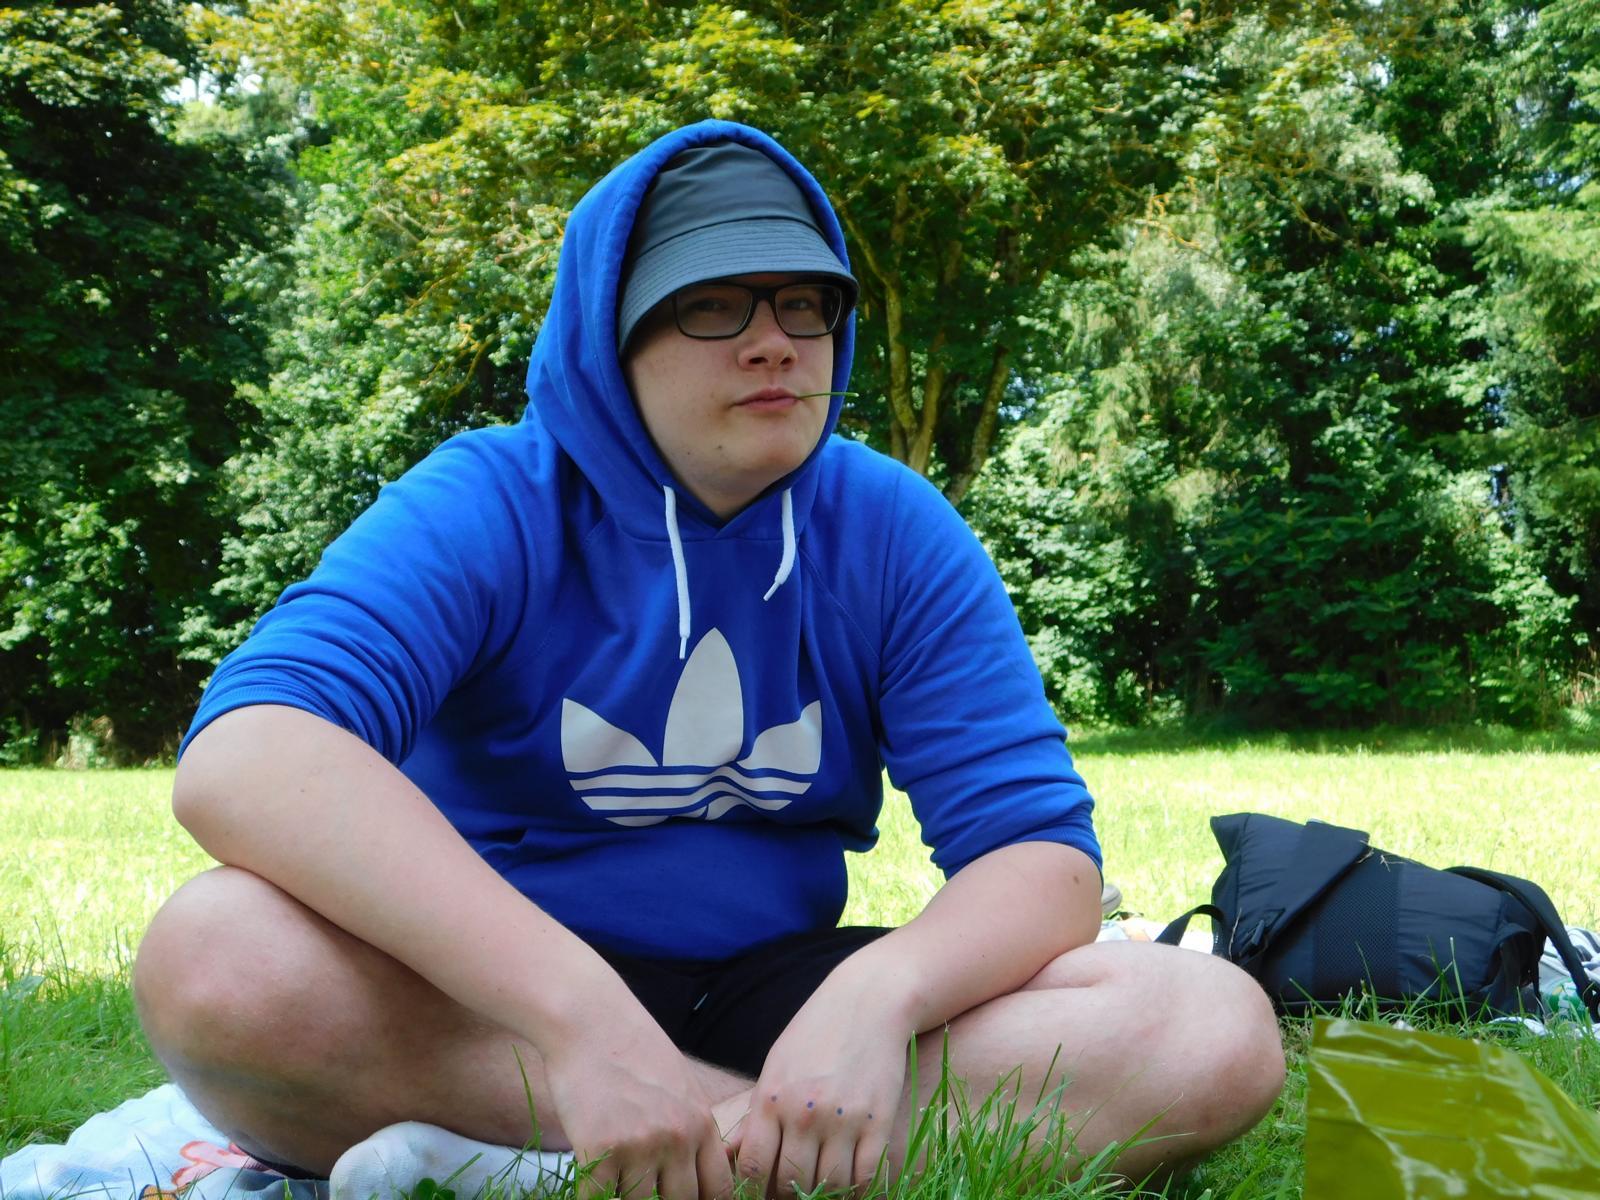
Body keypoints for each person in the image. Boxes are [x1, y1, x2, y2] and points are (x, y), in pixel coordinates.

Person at [133, 121, 1284, 1200]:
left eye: (805, 302)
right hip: (495, 1002)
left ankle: (536, 1162)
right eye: (712, 305)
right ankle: (751, 1153)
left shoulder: (891, 528)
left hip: (774, 988)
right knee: (216, 955)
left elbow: (1040, 857)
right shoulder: (488, 500)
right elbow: (250, 755)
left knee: (1208, 1027)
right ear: (610, 338)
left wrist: (874, 1001)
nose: (773, 339)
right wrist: (582, 1020)